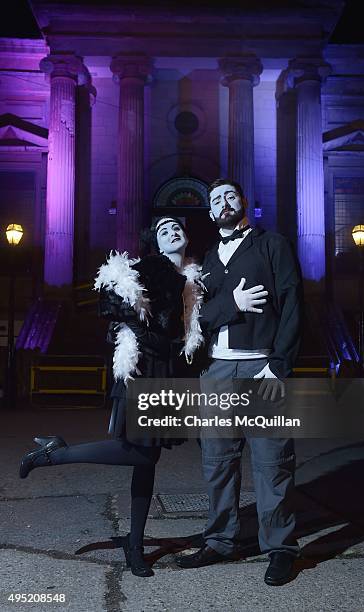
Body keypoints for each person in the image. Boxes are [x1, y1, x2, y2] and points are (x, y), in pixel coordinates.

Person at [19, 217, 203, 578]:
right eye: (163, 230)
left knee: (147, 460)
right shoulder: (152, 266)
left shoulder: (195, 277)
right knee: (140, 452)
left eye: (177, 227)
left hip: (168, 371)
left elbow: (190, 328)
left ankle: (135, 545)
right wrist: (142, 330)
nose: (172, 232)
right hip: (144, 368)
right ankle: (56, 454)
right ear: (155, 242)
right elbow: (109, 295)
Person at [176, 179, 303, 586]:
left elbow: (292, 303)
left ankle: (280, 548)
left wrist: (278, 365)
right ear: (211, 214)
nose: (224, 203)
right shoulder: (209, 259)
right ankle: (220, 541)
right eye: (215, 200)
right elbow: (200, 319)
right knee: (217, 462)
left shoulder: (272, 245)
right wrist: (231, 303)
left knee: (272, 463)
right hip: (217, 370)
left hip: (261, 367)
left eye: (230, 195)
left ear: (243, 202)